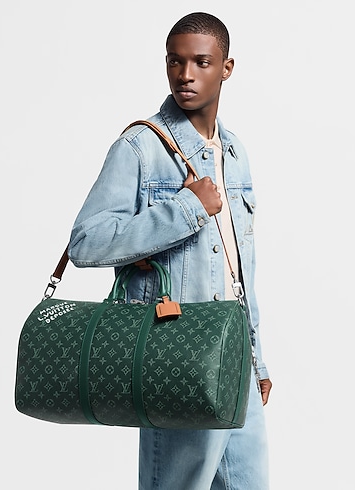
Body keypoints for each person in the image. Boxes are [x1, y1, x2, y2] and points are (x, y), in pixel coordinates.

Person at [68, 11, 272, 489]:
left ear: (226, 68)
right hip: (177, 357)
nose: (185, 75)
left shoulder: (235, 153)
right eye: (174, 62)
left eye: (201, 62)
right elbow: (86, 241)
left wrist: (256, 358)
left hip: (234, 358)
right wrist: (185, 209)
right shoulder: (140, 148)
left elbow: (241, 269)